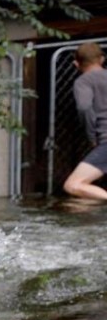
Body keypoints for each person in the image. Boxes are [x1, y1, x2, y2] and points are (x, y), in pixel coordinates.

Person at [63, 41, 107, 201]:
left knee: (73, 185)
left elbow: (84, 107)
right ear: (102, 59)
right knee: (81, 203)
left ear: (76, 63)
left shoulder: (83, 81)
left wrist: (91, 137)